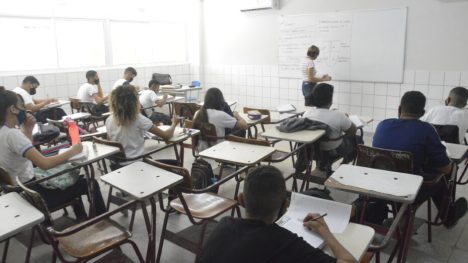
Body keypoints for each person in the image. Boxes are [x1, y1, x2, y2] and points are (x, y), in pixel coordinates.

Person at [199, 165, 357, 263]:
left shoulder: (224, 225)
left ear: (241, 199)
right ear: (285, 206)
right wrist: (325, 231)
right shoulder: (286, 243)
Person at [0, 90, 106, 218]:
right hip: (35, 194)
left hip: (19, 192)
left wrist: (28, 129)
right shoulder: (12, 134)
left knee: (69, 176)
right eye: (22, 106)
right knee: (89, 182)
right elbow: (45, 164)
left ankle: (82, 217)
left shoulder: (5, 131)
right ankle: (101, 220)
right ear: (13, 109)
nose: (25, 110)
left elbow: (24, 152)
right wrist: (73, 150)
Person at [373, 91, 467, 227]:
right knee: (444, 175)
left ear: (399, 109)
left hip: (378, 183)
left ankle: (401, 212)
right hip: (409, 188)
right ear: (422, 113)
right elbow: (445, 169)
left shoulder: (383, 125)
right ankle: (448, 216)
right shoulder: (426, 130)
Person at [106, 84, 179, 167]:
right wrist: (174, 124)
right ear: (134, 101)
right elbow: (167, 136)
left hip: (116, 165)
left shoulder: (109, 119)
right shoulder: (138, 119)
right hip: (136, 164)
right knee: (176, 164)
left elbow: (111, 143)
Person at [303, 83, 357, 165]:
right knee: (358, 139)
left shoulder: (307, 114)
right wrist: (346, 118)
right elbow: (353, 131)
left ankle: (321, 164)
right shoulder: (338, 115)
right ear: (330, 99)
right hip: (333, 151)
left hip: (312, 152)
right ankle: (344, 164)